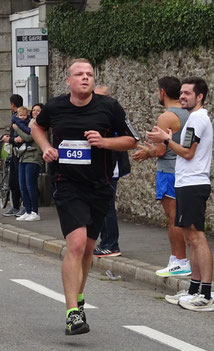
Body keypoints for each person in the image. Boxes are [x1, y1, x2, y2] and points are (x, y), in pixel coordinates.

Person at [30, 59, 137, 335]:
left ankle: (78, 298)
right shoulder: (55, 106)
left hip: (99, 185)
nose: (85, 78)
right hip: (67, 185)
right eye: (79, 74)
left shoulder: (109, 107)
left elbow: (131, 141)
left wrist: (104, 142)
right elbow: (36, 126)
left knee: (88, 250)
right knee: (76, 245)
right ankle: (71, 313)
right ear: (69, 81)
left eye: (89, 74)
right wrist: (46, 148)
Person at [147, 77, 214, 312]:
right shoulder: (195, 118)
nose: (183, 96)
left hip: (194, 183)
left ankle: (206, 294)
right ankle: (195, 289)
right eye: (182, 93)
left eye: (188, 93)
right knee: (190, 238)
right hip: (186, 183)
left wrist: (165, 139)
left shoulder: (197, 119)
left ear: (200, 97)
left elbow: (187, 153)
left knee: (196, 238)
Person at [133, 77, 189, 275]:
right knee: (180, 217)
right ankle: (177, 258)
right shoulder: (188, 113)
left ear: (163, 92)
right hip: (183, 170)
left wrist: (147, 152)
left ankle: (180, 260)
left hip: (168, 171)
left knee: (173, 217)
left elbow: (160, 151)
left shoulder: (166, 116)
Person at [91, 85, 130, 257]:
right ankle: (105, 241)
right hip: (99, 167)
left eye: (100, 96)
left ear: (110, 96)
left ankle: (111, 244)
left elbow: (122, 139)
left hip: (111, 167)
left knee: (107, 206)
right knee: (101, 206)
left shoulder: (114, 114)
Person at [14, 105, 43, 222]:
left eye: (38, 111)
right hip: (23, 156)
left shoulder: (40, 124)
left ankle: (35, 211)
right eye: (34, 110)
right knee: (22, 185)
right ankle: (28, 210)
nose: (35, 112)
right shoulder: (28, 122)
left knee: (30, 185)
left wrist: (17, 129)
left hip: (33, 157)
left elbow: (28, 137)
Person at [1, 94, 25, 217]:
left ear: (12, 104)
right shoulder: (14, 116)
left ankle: (24, 207)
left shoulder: (21, 117)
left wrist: (9, 139)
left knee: (21, 182)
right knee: (13, 181)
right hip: (15, 152)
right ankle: (15, 206)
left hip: (21, 153)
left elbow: (20, 136)